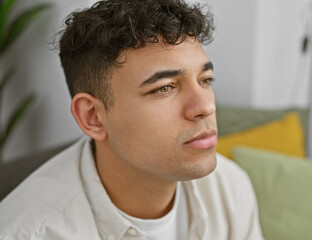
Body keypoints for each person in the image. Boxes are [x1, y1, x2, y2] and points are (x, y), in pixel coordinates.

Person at [0, 0, 263, 239]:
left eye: (205, 80)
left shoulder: (230, 189)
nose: (206, 106)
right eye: (164, 87)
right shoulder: (31, 232)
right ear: (92, 117)